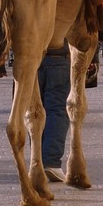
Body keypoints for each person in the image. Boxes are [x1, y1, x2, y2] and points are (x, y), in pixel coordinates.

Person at [37, 43, 71, 184]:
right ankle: (51, 161)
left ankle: (37, 159)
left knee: (33, 112)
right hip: (59, 56)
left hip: (29, 58)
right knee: (57, 110)